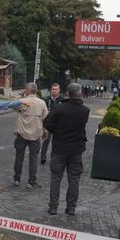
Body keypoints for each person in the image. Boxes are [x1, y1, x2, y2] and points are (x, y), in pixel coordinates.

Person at [43, 83, 90, 215]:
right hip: (76, 149)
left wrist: (56, 130)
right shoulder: (85, 110)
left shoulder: (59, 108)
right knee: (74, 179)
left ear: (67, 94)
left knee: (56, 178)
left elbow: (47, 122)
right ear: (80, 94)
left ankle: (53, 206)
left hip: (60, 148)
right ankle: (71, 207)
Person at [13, 82, 48, 189]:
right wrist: (45, 132)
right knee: (33, 158)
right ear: (36, 90)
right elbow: (46, 119)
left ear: (27, 90)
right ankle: (31, 181)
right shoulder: (42, 103)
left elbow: (12, 104)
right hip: (35, 135)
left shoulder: (23, 102)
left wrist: (20, 95)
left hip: (22, 133)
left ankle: (17, 179)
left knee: (19, 156)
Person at [40, 83, 63, 165]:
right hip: (49, 124)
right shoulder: (46, 99)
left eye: (56, 89)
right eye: (53, 89)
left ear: (59, 90)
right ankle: (43, 156)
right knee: (46, 140)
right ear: (50, 90)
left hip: (59, 125)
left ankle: (54, 157)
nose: (54, 91)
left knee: (56, 142)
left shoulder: (63, 100)